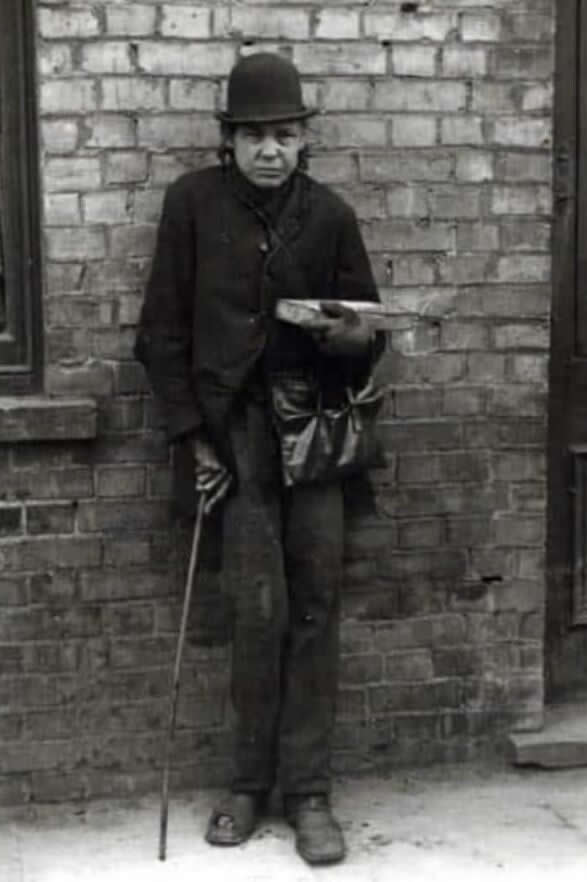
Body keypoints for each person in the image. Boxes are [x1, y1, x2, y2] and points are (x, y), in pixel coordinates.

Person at [134, 51, 384, 866]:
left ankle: (309, 793)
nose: (270, 150)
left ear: (304, 141)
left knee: (315, 607)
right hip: (234, 438)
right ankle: (247, 785)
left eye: (284, 135)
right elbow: (160, 337)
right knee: (256, 611)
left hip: (314, 439)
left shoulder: (332, 216)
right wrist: (194, 439)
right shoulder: (192, 207)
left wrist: (348, 339)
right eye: (254, 136)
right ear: (228, 141)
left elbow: (368, 337)